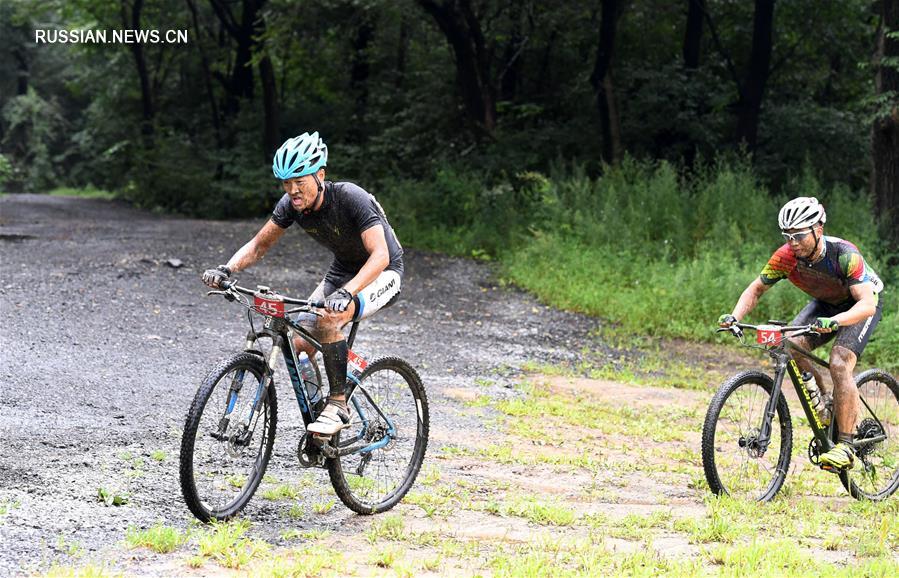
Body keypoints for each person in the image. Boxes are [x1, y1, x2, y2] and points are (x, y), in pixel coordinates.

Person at [202, 131, 404, 436]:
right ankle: (320, 409)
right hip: (342, 271)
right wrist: (226, 269)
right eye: (287, 183)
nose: (293, 191)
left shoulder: (350, 197)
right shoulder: (290, 205)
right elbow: (258, 246)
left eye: (300, 181)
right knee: (298, 344)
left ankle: (338, 405)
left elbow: (380, 255)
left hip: (383, 271)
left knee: (329, 319)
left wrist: (348, 292)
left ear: (320, 175)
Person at [718, 197, 884, 470]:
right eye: (787, 235)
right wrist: (735, 317)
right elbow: (755, 289)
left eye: (798, 235)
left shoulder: (845, 255)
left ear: (818, 229)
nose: (792, 242)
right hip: (825, 303)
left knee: (840, 362)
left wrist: (837, 321)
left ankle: (845, 445)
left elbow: (867, 304)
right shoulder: (785, 257)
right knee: (790, 345)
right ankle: (825, 405)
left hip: (861, 304)